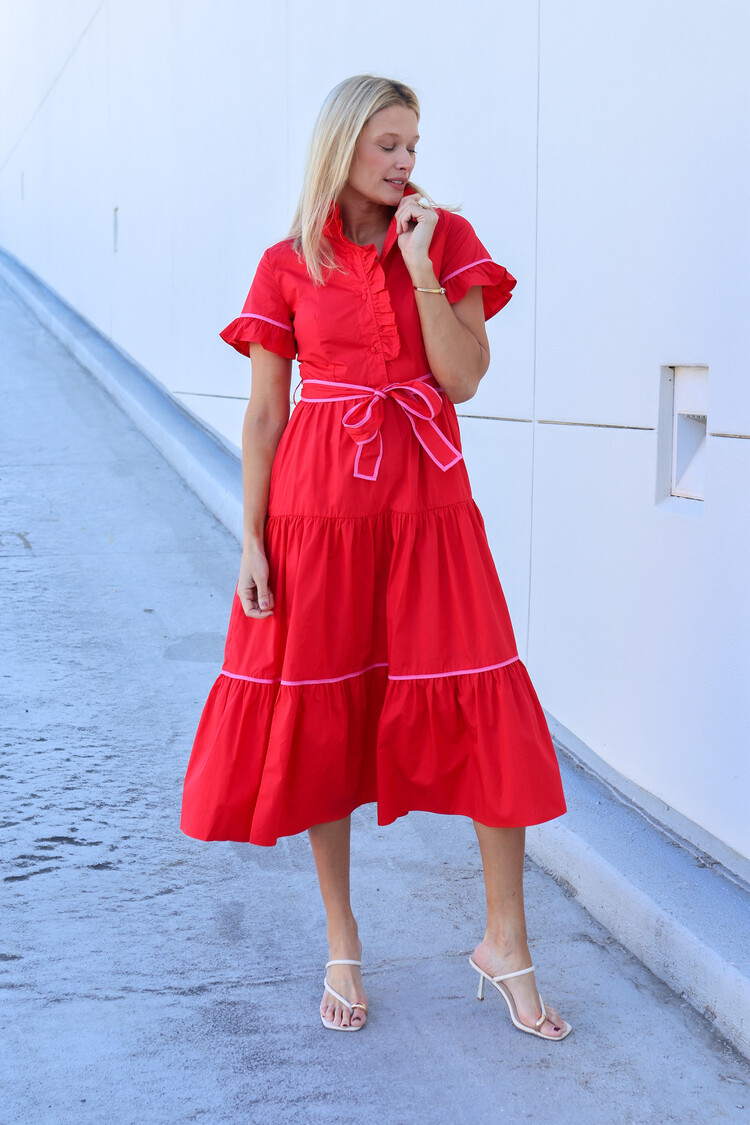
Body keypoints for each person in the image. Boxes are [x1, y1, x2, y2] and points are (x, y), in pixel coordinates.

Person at [180, 74, 571, 1041]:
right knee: (326, 707)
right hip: (318, 511)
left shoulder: (446, 236)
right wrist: (252, 540)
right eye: (388, 144)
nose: (405, 162)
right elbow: (265, 415)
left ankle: (506, 941)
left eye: (413, 145)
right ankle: (343, 938)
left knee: (481, 693)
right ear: (342, 146)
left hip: (430, 505)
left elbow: (463, 378)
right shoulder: (286, 264)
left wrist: (422, 262)